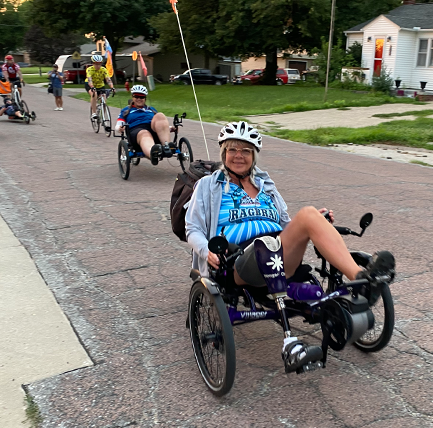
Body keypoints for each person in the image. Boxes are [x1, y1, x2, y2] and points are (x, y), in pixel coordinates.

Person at [184, 122, 395, 372]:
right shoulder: (209, 185)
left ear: (254, 156)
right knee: (266, 243)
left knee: (307, 215)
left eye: (246, 151)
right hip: (239, 260)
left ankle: (362, 281)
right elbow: (193, 228)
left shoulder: (266, 185)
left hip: (279, 252)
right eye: (232, 149)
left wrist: (315, 221)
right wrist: (205, 250)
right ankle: (290, 343)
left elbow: (286, 223)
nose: (239, 155)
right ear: (223, 154)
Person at [118, 85, 176, 164]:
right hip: (136, 131)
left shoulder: (151, 109)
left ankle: (167, 146)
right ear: (132, 97)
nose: (139, 99)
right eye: (136, 96)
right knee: (144, 133)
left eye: (141, 97)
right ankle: (152, 154)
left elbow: (159, 124)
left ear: (145, 98)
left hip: (153, 130)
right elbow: (118, 125)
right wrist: (119, 128)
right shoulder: (126, 110)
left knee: (160, 115)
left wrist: (169, 128)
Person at [85, 55, 110, 119]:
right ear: (93, 63)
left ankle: (103, 117)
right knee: (94, 94)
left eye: (99, 64)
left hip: (100, 85)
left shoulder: (104, 69)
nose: (98, 65)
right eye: (96, 64)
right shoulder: (89, 69)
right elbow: (89, 79)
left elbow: (108, 79)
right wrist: (92, 87)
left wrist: (112, 87)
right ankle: (94, 113)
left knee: (104, 100)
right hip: (90, 84)